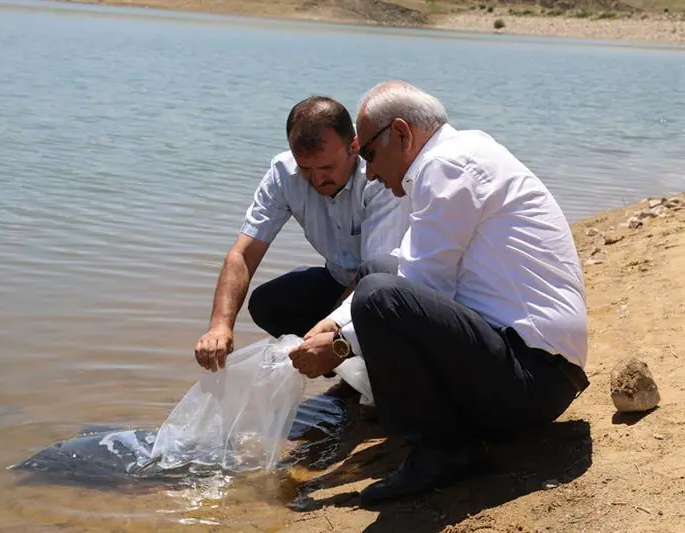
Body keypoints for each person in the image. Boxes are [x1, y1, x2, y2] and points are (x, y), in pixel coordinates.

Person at [288, 81, 590, 506]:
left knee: (378, 294)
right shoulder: (458, 156)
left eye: (369, 154)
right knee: (378, 272)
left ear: (402, 133)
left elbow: (418, 286)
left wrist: (338, 345)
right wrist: (336, 320)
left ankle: (443, 452)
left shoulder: (447, 166)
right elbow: (410, 269)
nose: (369, 172)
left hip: (535, 379)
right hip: (532, 366)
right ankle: (442, 438)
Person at [194, 96, 410, 372]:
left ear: (354, 146)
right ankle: (348, 373)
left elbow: (375, 278)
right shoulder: (284, 174)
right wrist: (219, 326)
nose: (317, 180)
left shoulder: (378, 177)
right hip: (339, 278)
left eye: (327, 168)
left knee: (368, 307)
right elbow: (243, 255)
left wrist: (331, 335)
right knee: (267, 304)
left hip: (386, 290)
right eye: (306, 169)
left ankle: (363, 375)